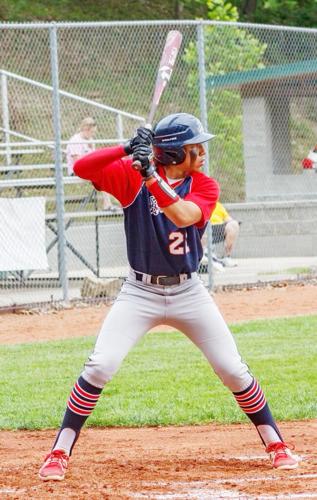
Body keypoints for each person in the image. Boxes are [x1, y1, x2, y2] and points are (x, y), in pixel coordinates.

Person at [39, 113, 300, 481]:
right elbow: (82, 167)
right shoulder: (131, 177)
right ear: (176, 152)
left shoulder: (204, 185)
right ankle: (58, 453)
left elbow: (183, 215)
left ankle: (277, 444)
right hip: (139, 292)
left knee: (231, 369)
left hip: (188, 291)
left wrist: (150, 176)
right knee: (100, 366)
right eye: (195, 147)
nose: (203, 152)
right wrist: (127, 148)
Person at [66, 117, 117, 211]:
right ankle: (107, 204)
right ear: (86, 129)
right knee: (102, 175)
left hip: (89, 170)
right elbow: (77, 162)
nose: (93, 134)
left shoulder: (90, 140)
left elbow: (93, 157)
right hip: (76, 170)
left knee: (107, 172)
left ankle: (109, 203)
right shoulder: (75, 140)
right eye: (92, 132)